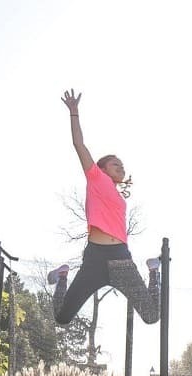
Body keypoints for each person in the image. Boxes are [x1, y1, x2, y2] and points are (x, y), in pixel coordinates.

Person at [50, 89, 162, 325]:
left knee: (152, 316)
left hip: (120, 257)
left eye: (122, 165)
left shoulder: (119, 197)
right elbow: (78, 144)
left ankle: (154, 271)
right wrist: (74, 113)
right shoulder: (96, 178)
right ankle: (62, 276)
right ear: (101, 169)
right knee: (62, 317)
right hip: (94, 259)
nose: (121, 167)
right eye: (115, 164)